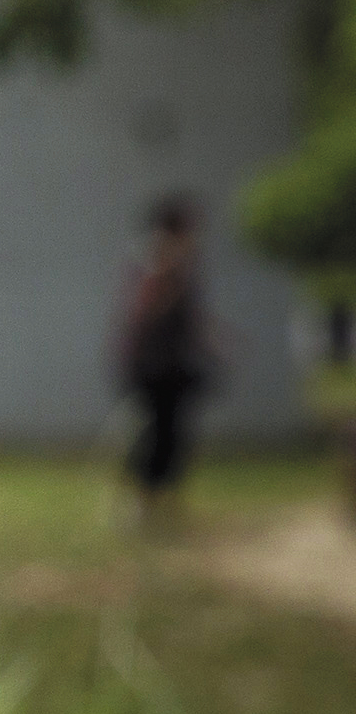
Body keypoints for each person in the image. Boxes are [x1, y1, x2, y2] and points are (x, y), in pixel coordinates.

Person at [111, 191, 223, 523]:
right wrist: (172, 271)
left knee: (174, 435)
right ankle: (139, 503)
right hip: (151, 366)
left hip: (173, 364)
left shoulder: (180, 265)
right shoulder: (157, 260)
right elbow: (145, 312)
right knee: (154, 435)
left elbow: (190, 318)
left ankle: (164, 503)